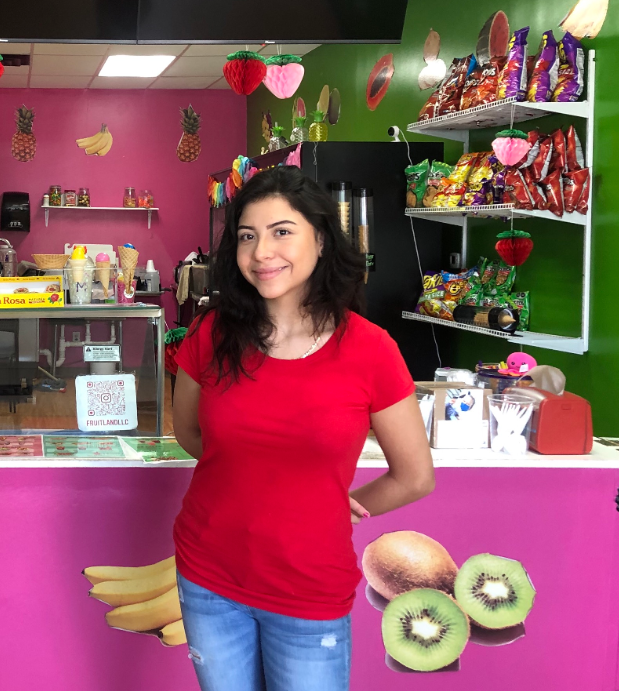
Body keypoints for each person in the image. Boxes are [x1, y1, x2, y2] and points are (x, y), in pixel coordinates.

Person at [171, 166, 435, 691]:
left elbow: (414, 476)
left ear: (320, 239)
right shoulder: (211, 334)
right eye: (247, 236)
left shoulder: (370, 349)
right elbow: (191, 436)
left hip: (309, 588)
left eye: (281, 232)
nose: (262, 252)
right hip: (208, 575)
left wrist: (338, 502)